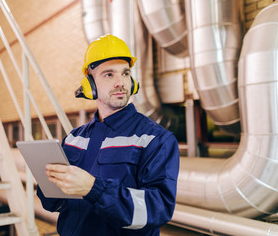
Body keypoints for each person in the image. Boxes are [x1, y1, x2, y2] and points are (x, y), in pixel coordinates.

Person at [37, 34, 180, 236]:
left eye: (125, 73)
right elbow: (54, 205)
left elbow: (157, 210)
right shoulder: (74, 138)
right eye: (109, 74)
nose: (120, 83)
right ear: (90, 84)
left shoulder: (155, 140)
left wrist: (94, 189)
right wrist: (48, 185)